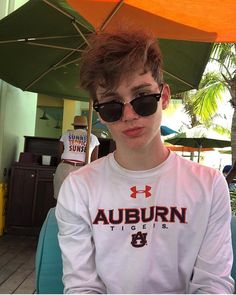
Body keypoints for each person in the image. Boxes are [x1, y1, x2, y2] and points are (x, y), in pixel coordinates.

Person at [55, 28, 234, 293]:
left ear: (163, 97)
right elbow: (82, 287)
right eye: (112, 105)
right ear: (100, 113)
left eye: (142, 98)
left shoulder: (209, 185)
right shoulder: (79, 188)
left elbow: (213, 285)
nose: (128, 115)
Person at [53, 115, 100, 199]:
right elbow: (94, 161)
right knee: (79, 200)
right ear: (86, 126)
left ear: (74, 126)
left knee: (61, 199)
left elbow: (59, 153)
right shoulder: (93, 138)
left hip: (65, 166)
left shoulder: (66, 134)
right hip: (83, 169)